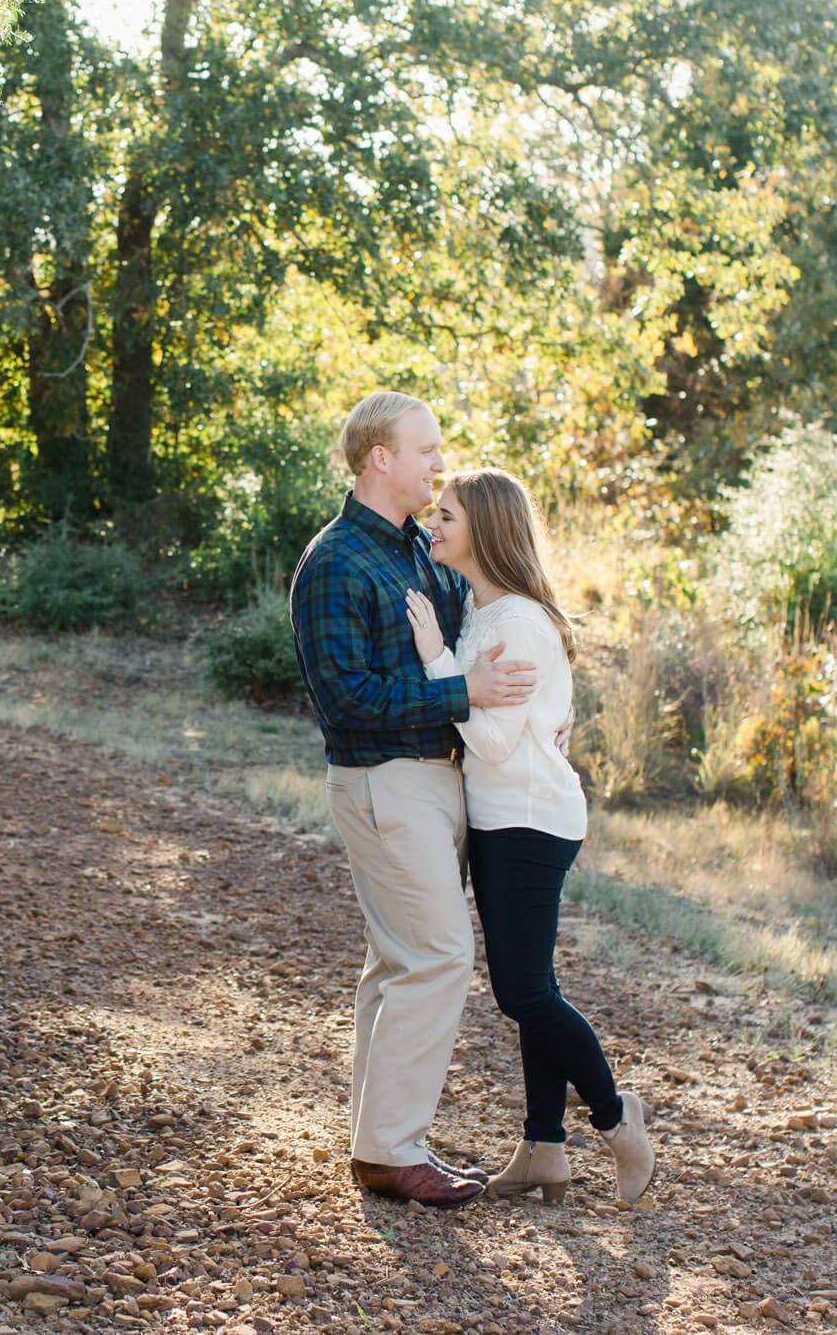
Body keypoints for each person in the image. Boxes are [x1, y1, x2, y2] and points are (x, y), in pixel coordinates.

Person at [289, 392, 538, 1208]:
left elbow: (482, 628)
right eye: (426, 449)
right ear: (379, 459)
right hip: (383, 778)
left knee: (397, 961)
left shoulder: (419, 554)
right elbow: (348, 700)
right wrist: (464, 692)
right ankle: (395, 1150)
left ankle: (377, 1144)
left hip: (437, 781)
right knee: (438, 955)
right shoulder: (334, 563)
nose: (439, 463)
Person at [404, 467, 655, 1206]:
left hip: (528, 821)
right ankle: (544, 1145)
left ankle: (617, 1120)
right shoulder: (488, 610)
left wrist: (434, 658)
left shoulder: (513, 622)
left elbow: (486, 741)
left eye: (446, 515)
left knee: (523, 995)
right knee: (532, 988)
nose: (433, 524)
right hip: (502, 816)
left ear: (483, 528)